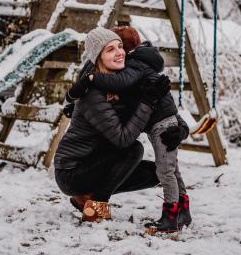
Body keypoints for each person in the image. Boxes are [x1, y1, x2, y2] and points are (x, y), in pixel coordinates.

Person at [67, 26, 192, 233]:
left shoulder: (134, 71)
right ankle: (89, 196)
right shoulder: (102, 79)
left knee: (162, 169)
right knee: (149, 159)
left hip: (136, 137)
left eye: (120, 47)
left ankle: (178, 212)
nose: (118, 53)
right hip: (80, 164)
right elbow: (122, 134)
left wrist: (182, 129)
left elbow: (165, 107)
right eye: (111, 49)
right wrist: (75, 95)